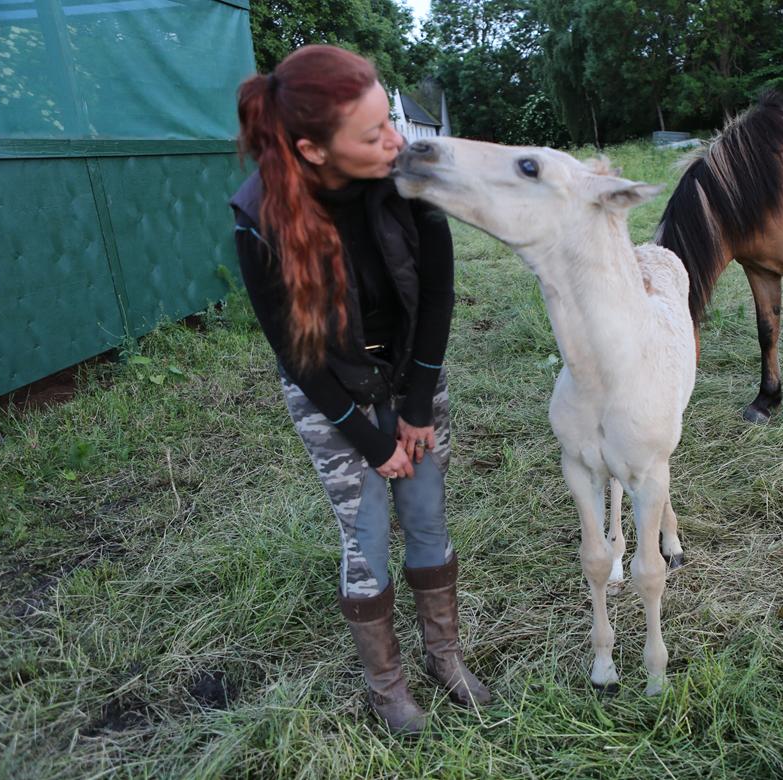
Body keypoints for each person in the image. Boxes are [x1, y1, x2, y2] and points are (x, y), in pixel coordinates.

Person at [231, 44, 489, 736]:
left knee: (428, 511)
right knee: (367, 530)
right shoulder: (260, 220)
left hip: (407, 371)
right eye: (374, 133)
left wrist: (411, 410)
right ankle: (388, 688)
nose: (396, 140)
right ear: (314, 150)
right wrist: (373, 440)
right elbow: (297, 354)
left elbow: (437, 296)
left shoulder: (409, 180)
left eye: (391, 121)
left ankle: (446, 659)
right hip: (331, 386)